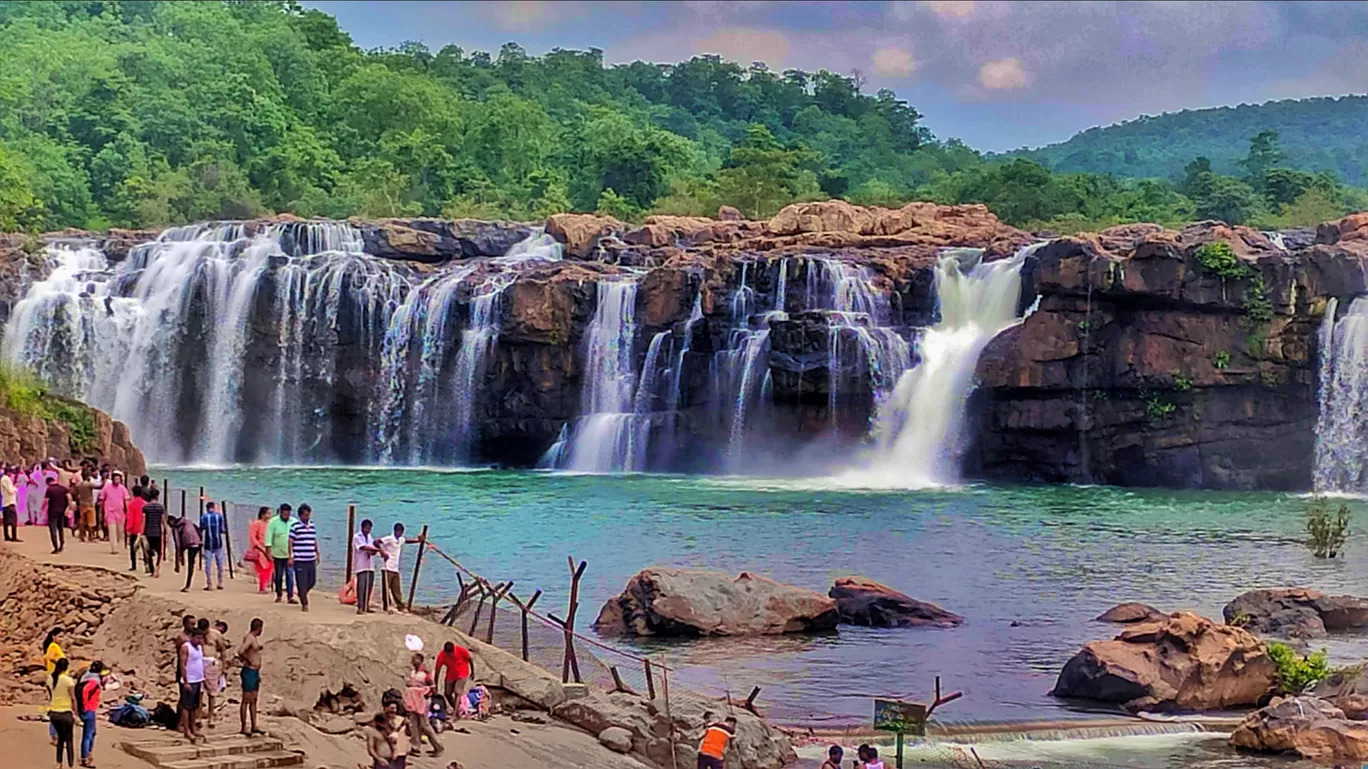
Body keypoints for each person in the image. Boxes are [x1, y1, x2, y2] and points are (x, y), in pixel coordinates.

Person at [402, 653, 443, 757]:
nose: (412, 662)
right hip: (412, 702)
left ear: (420, 660)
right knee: (413, 725)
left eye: (414, 660)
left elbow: (433, 689)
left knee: (424, 725)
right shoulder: (412, 672)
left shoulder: (425, 673)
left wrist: (422, 690)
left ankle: (438, 746)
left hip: (422, 701)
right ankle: (415, 747)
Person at [378, 523, 423, 613]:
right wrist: (382, 552)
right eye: (400, 532)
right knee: (386, 588)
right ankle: (387, 605)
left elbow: (407, 541)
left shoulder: (400, 539)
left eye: (402, 532)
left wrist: (418, 541)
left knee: (396, 588)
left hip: (395, 568)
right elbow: (377, 542)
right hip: (387, 567)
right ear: (396, 531)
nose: (401, 534)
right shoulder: (389, 539)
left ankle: (400, 605)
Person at [236, 618, 265, 736]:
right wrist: (248, 661)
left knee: (254, 699)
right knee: (246, 699)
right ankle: (244, 726)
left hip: (254, 672)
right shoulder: (250, 638)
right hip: (249, 671)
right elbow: (241, 651)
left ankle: (254, 725)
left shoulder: (253, 639)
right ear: (259, 628)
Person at [178, 624, 206, 743]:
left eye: (201, 638)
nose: (199, 640)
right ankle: (186, 730)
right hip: (189, 680)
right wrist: (186, 681)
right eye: (197, 638)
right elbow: (183, 665)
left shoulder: (199, 648)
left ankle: (193, 727)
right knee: (186, 706)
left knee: (194, 706)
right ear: (192, 637)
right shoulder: (186, 647)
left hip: (198, 679)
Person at [76, 661, 108, 768]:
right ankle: (85, 757)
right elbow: (85, 691)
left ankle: (86, 755)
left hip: (86, 709)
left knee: (91, 733)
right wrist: (85, 705)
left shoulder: (85, 677)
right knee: (88, 735)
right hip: (89, 709)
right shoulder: (94, 681)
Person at [289, 504, 319, 612]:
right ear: (301, 515)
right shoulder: (295, 527)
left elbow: (314, 540)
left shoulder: (312, 526)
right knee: (301, 581)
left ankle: (302, 593)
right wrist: (291, 556)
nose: (308, 517)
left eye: (309, 515)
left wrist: (317, 552)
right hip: (300, 559)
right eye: (306, 515)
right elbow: (290, 542)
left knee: (312, 581)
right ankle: (304, 603)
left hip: (310, 558)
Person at [48, 657, 76, 768]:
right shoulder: (68, 680)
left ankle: (59, 763)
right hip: (65, 712)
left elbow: (51, 694)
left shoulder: (50, 678)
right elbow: (73, 698)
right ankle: (70, 765)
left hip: (54, 712)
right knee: (69, 740)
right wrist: (76, 713)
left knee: (60, 739)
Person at [202, 619, 228, 729]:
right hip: (200, 662)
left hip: (211, 663)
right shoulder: (197, 634)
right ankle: (198, 716)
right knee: (199, 692)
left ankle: (211, 717)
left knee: (212, 693)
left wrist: (224, 667)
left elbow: (222, 650)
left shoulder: (215, 635)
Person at [433, 641, 474, 710]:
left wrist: (473, 671)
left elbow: (470, 659)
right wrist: (435, 685)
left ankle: (455, 715)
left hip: (462, 671)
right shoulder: (442, 655)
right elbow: (437, 671)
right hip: (451, 674)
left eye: (451, 653)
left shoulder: (460, 650)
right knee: (447, 693)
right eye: (448, 653)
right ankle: (457, 709)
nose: (450, 655)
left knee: (457, 692)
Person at [352, 518, 381, 614]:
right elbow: (362, 547)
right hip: (361, 566)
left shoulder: (370, 537)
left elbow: (371, 550)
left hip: (370, 565)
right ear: (362, 528)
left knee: (369, 586)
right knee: (361, 586)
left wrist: (373, 551)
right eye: (367, 528)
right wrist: (376, 549)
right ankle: (360, 607)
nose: (368, 530)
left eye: (369, 529)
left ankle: (366, 605)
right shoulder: (357, 537)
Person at [98, 471, 130, 555]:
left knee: (120, 531)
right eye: (115, 479)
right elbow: (102, 499)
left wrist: (127, 511)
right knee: (112, 530)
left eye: (118, 479)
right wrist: (101, 513)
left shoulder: (123, 488)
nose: (117, 480)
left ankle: (118, 545)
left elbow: (126, 500)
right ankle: (114, 548)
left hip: (120, 512)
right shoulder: (107, 488)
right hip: (110, 512)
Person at [267, 504, 294, 604]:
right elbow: (268, 538)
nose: (287, 516)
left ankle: (290, 596)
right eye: (285, 514)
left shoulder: (294, 522)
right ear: (281, 513)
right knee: (278, 576)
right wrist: (268, 552)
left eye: (288, 514)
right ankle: (279, 594)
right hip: (277, 554)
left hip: (289, 555)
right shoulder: (273, 522)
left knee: (290, 575)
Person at [200, 501, 227, 591]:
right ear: (214, 507)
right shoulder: (219, 516)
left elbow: (201, 528)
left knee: (208, 564)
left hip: (208, 543)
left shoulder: (203, 517)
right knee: (220, 563)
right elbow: (223, 530)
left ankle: (209, 583)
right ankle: (220, 582)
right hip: (218, 543)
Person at [173, 511, 203, 593]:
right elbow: (198, 530)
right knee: (191, 561)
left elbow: (178, 545)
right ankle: (188, 584)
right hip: (198, 543)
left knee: (190, 564)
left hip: (190, 544)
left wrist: (177, 564)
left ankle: (188, 585)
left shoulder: (175, 528)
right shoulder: (188, 522)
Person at [247, 507, 273, 594]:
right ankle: (262, 587)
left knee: (270, 567)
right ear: (262, 514)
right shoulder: (256, 523)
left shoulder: (270, 524)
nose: (269, 515)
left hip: (269, 548)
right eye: (268, 513)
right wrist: (261, 548)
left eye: (270, 513)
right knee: (263, 568)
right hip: (259, 549)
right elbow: (253, 538)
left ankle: (266, 585)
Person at [44, 475, 72, 554]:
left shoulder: (49, 489)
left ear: (48, 483)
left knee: (53, 529)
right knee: (60, 528)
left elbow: (46, 501)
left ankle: (55, 547)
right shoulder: (63, 489)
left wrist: (42, 510)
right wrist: (68, 508)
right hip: (62, 511)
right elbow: (69, 498)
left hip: (52, 511)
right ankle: (61, 544)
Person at [143, 488, 165, 577]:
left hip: (148, 532)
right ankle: (157, 568)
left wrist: (142, 532)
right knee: (159, 552)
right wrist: (165, 530)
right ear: (157, 496)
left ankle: (152, 570)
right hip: (158, 532)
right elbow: (163, 520)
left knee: (149, 552)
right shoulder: (161, 507)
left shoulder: (146, 507)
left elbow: (144, 521)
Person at [126, 484, 147, 573]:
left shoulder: (132, 504)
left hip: (134, 529)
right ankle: (146, 564)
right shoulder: (145, 504)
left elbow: (130, 517)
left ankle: (133, 565)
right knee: (145, 548)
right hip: (143, 528)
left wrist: (128, 528)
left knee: (133, 548)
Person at [74, 469, 97, 544]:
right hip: (89, 504)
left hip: (82, 503)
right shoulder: (89, 484)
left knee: (82, 521)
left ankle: (82, 536)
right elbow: (99, 486)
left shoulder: (79, 485)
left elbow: (76, 494)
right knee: (91, 522)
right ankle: (91, 536)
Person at [2, 464, 19, 542]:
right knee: (13, 521)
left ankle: (7, 536)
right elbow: (11, 491)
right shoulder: (6, 479)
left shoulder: (4, 479)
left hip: (6, 501)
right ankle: (13, 537)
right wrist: (15, 487)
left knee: (6, 521)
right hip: (9, 501)